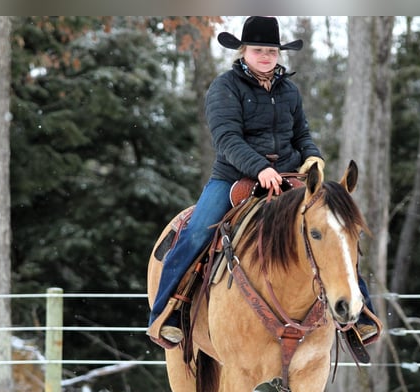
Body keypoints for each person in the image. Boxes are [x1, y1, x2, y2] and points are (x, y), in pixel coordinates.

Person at [148, 16, 377, 347]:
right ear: (243, 52)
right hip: (233, 178)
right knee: (196, 232)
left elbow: (302, 134)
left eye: (271, 50)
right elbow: (227, 138)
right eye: (258, 50)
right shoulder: (224, 87)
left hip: (288, 178)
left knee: (333, 229)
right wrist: (258, 168)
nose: (266, 56)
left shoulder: (289, 91)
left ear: (279, 54)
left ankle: (359, 313)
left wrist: (313, 157)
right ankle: (166, 313)